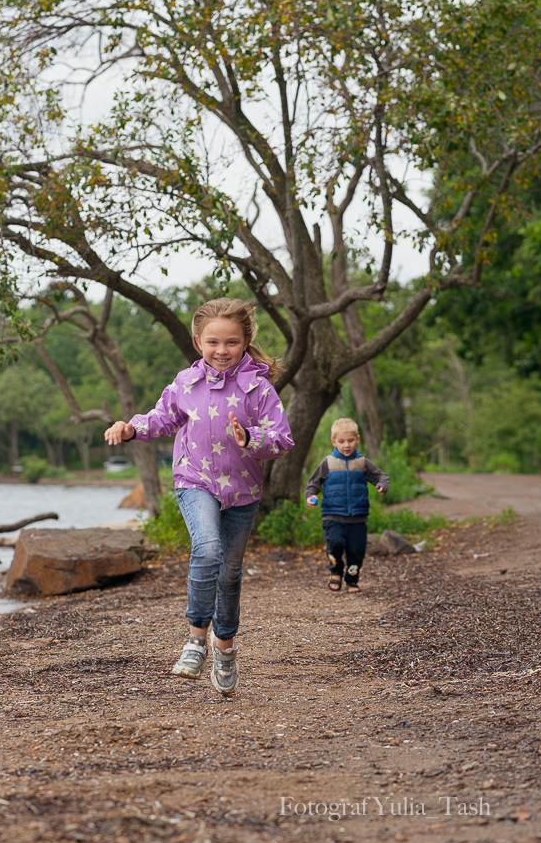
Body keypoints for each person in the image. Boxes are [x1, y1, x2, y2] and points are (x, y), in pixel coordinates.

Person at [104, 297, 293, 696]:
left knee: (229, 573)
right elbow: (161, 418)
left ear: (245, 342)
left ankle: (224, 647)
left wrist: (251, 437)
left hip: (243, 491)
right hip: (195, 480)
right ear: (197, 342)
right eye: (213, 343)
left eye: (231, 343)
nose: (221, 351)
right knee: (207, 550)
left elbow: (282, 438)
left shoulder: (258, 388)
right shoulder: (185, 384)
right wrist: (131, 427)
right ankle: (194, 642)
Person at [304, 417, 389, 594]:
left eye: (350, 440)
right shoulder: (328, 462)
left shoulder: (362, 462)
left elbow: (381, 476)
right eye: (341, 441)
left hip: (358, 516)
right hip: (332, 515)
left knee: (356, 550)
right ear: (334, 442)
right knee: (334, 544)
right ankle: (335, 571)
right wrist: (311, 495)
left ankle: (352, 579)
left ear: (357, 439)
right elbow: (313, 483)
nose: (347, 445)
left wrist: (382, 485)